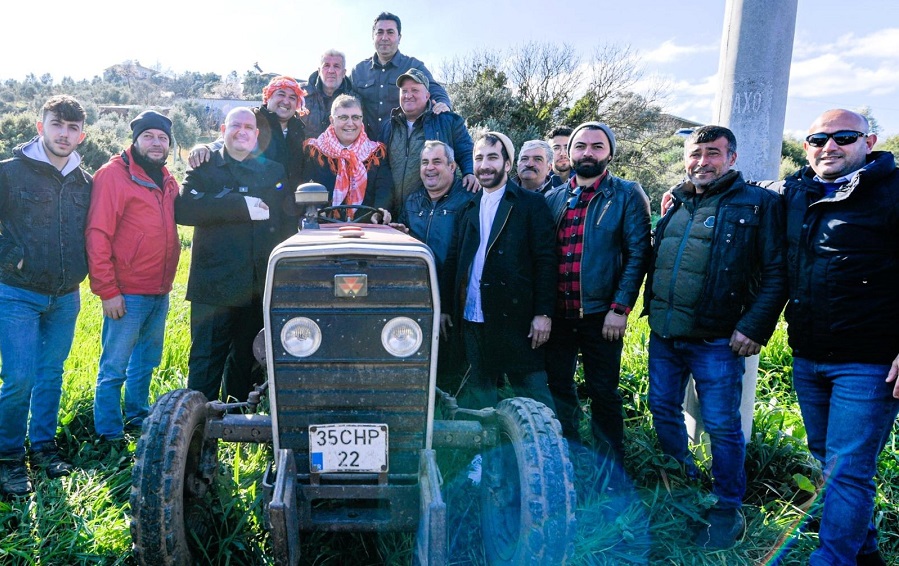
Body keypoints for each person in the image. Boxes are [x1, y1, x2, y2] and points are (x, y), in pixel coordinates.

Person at [645, 125, 786, 549]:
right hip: (666, 334)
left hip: (719, 341)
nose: (702, 161)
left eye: (712, 153)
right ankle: (683, 485)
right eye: (695, 153)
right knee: (662, 408)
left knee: (723, 426)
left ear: (732, 158)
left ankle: (727, 506)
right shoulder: (677, 202)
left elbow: (778, 272)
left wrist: (755, 326)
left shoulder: (759, 205)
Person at [776, 109, 899, 566]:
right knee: (832, 464)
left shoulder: (893, 192)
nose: (829, 146)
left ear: (868, 142)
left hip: (868, 362)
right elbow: (751, 193)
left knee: (847, 470)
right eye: (817, 138)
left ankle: (833, 559)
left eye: (843, 137)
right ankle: (863, 552)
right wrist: (685, 191)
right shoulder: (800, 192)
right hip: (809, 356)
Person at [543, 122, 651, 480]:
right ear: (569, 152)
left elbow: (638, 254)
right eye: (581, 146)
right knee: (559, 386)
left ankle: (611, 470)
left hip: (601, 315)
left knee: (603, 392)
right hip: (559, 315)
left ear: (609, 153)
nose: (588, 152)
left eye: (597, 146)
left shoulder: (625, 195)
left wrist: (620, 308)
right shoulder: (555, 198)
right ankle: (568, 458)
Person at [0, 95, 91, 495]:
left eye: (72, 128)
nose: (64, 134)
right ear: (41, 127)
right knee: (19, 377)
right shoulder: (8, 173)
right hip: (16, 294)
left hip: (66, 295)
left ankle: (43, 448)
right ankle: (7, 458)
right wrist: (11, 256)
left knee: (50, 375)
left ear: (82, 135)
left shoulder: (85, 182)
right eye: (57, 124)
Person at [176, 107, 293, 403]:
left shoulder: (273, 171)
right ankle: (199, 433)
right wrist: (239, 205)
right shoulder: (206, 166)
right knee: (205, 361)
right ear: (223, 131)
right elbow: (185, 209)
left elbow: (277, 217)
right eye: (235, 125)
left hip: (255, 284)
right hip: (213, 284)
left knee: (245, 360)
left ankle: (236, 424)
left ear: (256, 135)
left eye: (248, 127)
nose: (242, 131)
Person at [86, 111, 180, 442]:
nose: (156, 143)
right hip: (127, 292)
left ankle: (137, 418)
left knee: (145, 363)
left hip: (159, 290)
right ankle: (108, 434)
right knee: (114, 367)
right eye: (149, 136)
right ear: (135, 140)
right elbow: (97, 234)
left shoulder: (166, 178)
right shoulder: (113, 175)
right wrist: (107, 290)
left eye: (163, 138)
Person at [447, 132, 557, 412]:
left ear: (508, 164)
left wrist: (543, 314)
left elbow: (546, 262)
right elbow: (454, 261)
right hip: (473, 318)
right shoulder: (467, 208)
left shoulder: (530, 205)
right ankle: (485, 456)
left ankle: (549, 455)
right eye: (479, 158)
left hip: (516, 321)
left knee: (534, 398)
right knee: (480, 397)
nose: (485, 165)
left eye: (492, 157)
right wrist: (449, 308)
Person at [390, 141, 474, 391]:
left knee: (449, 370)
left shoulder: (468, 200)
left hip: (454, 300)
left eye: (437, 162)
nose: (430, 168)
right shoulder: (412, 202)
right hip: (415, 298)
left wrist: (446, 305)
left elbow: (461, 259)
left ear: (452, 166)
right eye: (425, 162)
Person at [379, 68, 476, 217]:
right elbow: (381, 168)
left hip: (429, 213)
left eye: (415, 90)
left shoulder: (447, 120)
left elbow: (466, 150)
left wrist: (470, 172)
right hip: (392, 212)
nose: (408, 95)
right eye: (404, 91)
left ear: (427, 96)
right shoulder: (389, 126)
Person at [189, 75, 308, 190]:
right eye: (281, 94)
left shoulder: (299, 129)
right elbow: (226, 141)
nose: (286, 101)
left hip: (287, 203)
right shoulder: (253, 118)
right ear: (268, 97)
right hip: (254, 198)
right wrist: (204, 147)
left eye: (292, 97)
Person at [351, 12, 451, 139]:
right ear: (373, 36)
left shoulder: (414, 66)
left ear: (399, 37)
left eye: (390, 32)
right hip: (366, 149)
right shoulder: (358, 71)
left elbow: (435, 89)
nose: (384, 37)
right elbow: (343, 101)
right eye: (380, 32)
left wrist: (443, 104)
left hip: (401, 149)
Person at [301, 94, 392, 220]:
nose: (350, 123)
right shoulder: (314, 151)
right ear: (332, 121)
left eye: (355, 117)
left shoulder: (377, 153)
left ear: (362, 120)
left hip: (367, 227)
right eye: (343, 117)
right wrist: (315, 210)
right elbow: (307, 189)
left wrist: (379, 212)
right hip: (325, 228)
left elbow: (384, 190)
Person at [302, 49, 355, 139]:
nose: (331, 71)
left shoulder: (355, 101)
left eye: (336, 66)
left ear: (344, 73)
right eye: (326, 65)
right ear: (319, 71)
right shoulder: (301, 94)